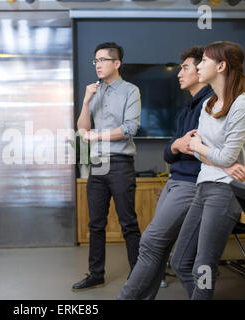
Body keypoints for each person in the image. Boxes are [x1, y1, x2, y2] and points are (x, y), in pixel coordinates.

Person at [117, 46, 214, 300]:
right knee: (157, 249)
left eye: (185, 68)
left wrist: (180, 147)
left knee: (149, 244)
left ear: (202, 70)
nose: (179, 73)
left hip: (190, 185)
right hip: (176, 181)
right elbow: (169, 153)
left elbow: (197, 151)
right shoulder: (188, 108)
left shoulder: (210, 105)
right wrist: (176, 145)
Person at [170, 41, 245, 300]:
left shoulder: (243, 104)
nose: (199, 65)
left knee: (203, 266)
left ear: (221, 66)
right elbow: (200, 152)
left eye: (205, 61)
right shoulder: (209, 103)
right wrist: (221, 160)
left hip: (226, 191)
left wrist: (208, 152)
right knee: (180, 261)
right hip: (204, 185)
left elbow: (210, 150)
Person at [72, 42, 141, 291]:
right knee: (96, 224)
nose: (98, 65)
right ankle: (96, 274)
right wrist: (86, 100)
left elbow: (130, 129)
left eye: (103, 60)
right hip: (98, 165)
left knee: (128, 223)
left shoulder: (131, 91)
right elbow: (82, 129)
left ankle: (138, 275)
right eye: (96, 61)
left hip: (120, 163)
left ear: (116, 63)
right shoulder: (94, 91)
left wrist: (96, 136)